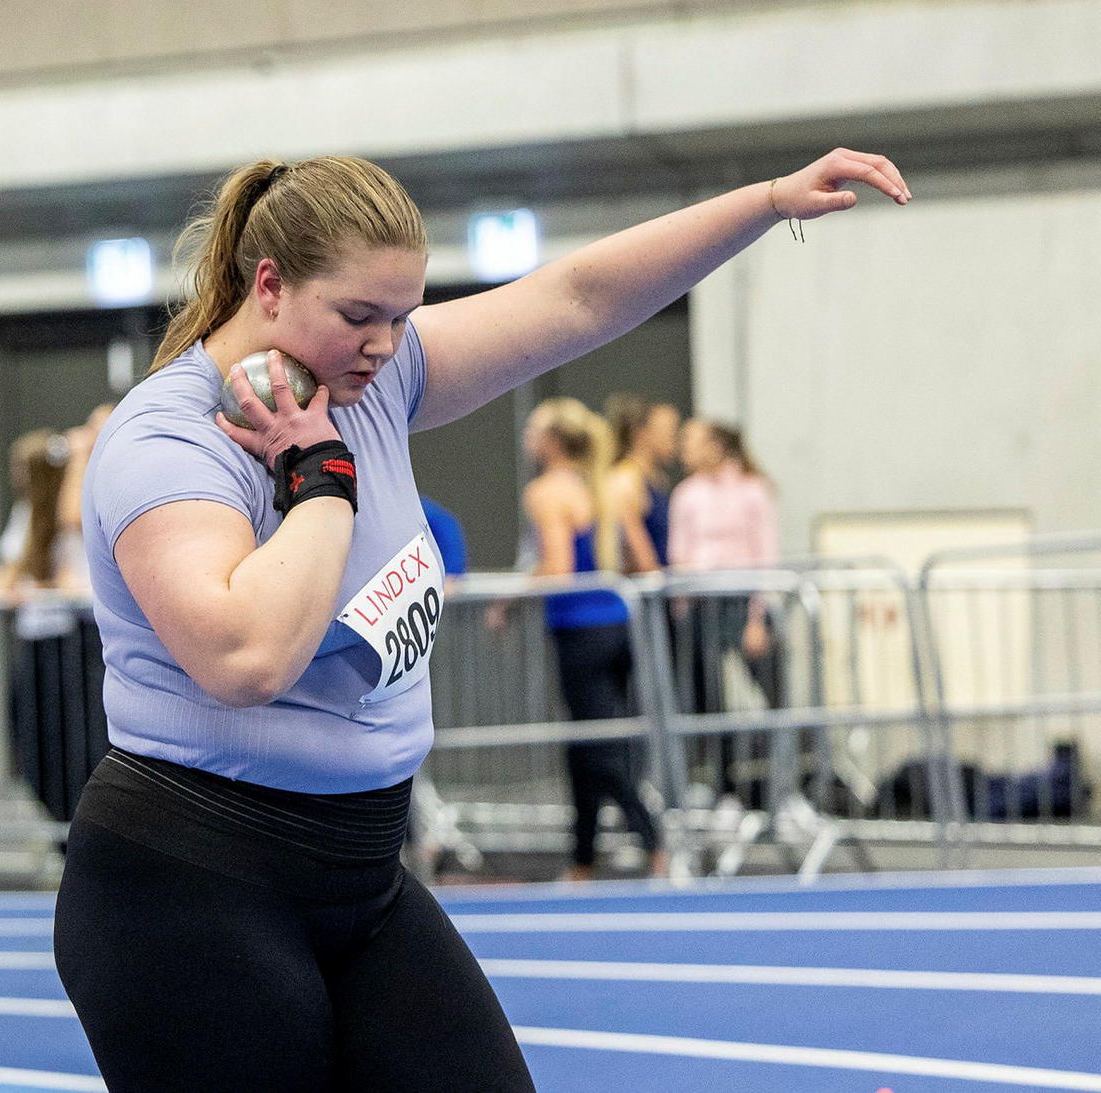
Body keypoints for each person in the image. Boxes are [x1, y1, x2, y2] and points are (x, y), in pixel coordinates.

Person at [55, 150, 909, 1090]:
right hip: (188, 882)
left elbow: (576, 298)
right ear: (269, 285)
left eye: (401, 315)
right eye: (358, 316)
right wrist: (322, 478)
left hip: (363, 872)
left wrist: (764, 199)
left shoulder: (370, 378)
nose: (386, 345)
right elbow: (246, 655)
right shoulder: (167, 442)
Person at [521, 397, 665, 882]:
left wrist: (512, 594)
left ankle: (656, 843)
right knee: (586, 746)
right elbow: (637, 560)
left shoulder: (547, 492)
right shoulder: (604, 486)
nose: (527, 438)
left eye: (534, 430)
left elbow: (559, 568)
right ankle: (582, 859)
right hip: (615, 625)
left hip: (581, 629)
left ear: (552, 443)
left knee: (598, 748)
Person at [0, 418, 107, 824]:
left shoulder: (76, 504)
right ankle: (60, 825)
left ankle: (78, 827)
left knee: (80, 744)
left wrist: (81, 453)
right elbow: (17, 566)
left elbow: (67, 524)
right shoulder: (28, 513)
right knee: (32, 736)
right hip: (37, 639)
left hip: (73, 639)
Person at [668, 417, 782, 803]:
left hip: (742, 599)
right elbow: (678, 551)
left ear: (717, 446)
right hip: (701, 603)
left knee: (775, 693)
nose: (684, 448)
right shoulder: (687, 494)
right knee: (708, 700)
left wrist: (756, 617)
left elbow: (764, 554)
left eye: (693, 441)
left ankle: (786, 789)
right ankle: (725, 788)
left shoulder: (752, 490)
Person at [605, 393, 680, 574]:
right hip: (644, 592)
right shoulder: (626, 479)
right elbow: (639, 556)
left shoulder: (657, 478)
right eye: (669, 433)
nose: (675, 440)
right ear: (641, 433)